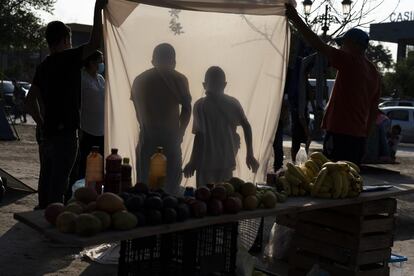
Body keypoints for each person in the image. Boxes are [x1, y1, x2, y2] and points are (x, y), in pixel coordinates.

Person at [25, 0, 107, 209]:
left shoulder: (43, 66)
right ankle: (53, 224)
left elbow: (29, 100)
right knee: (58, 186)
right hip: (66, 135)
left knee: (46, 180)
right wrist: (98, 8)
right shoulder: (68, 58)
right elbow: (95, 41)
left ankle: (42, 219)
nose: (71, 44)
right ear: (64, 40)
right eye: (69, 40)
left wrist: (42, 124)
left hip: (48, 134)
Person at [286, 4, 381, 165]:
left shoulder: (350, 61)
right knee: (348, 179)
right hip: (358, 138)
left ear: (353, 44)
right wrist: (364, 139)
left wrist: (295, 18)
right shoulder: (374, 73)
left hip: (339, 133)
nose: (340, 47)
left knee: (332, 178)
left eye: (342, 43)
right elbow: (373, 112)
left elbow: (318, 45)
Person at [183, 66, 259, 186]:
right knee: (223, 197)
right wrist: (250, 154)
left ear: (204, 85)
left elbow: (199, 137)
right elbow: (246, 126)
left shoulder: (200, 105)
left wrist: (193, 161)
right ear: (224, 85)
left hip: (205, 162)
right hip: (226, 161)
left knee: (204, 197)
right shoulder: (232, 103)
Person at [131, 43, 192, 194]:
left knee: (146, 188)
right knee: (169, 191)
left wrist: (148, 128)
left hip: (151, 139)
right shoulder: (179, 79)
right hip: (167, 138)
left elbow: (139, 112)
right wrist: (180, 133)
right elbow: (187, 109)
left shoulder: (141, 80)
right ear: (174, 62)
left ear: (153, 61)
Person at [78, 50, 105, 178]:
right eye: (99, 61)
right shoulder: (82, 79)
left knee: (98, 165)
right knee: (85, 164)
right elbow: (76, 103)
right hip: (87, 129)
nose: (101, 64)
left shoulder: (100, 78)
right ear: (91, 62)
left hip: (101, 129)